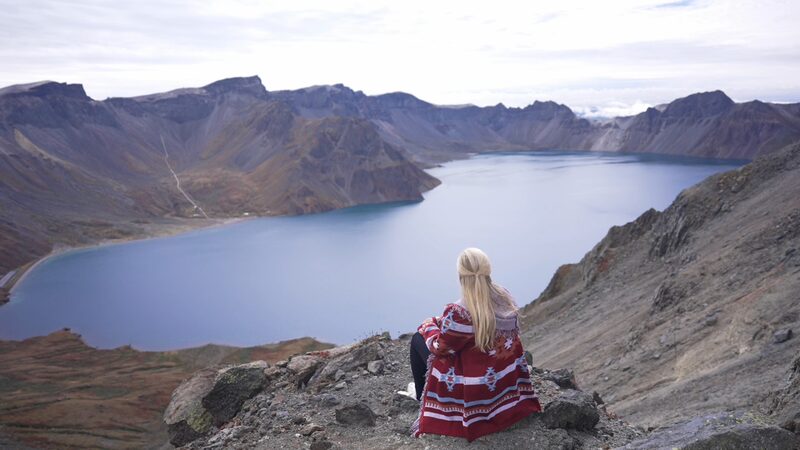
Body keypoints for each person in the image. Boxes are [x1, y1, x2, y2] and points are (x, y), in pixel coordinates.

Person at [408, 247, 542, 441]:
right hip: (502, 385)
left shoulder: (459, 312)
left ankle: (422, 401)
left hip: (475, 391)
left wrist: (428, 325)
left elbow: (440, 347)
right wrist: (444, 322)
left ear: (461, 276)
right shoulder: (504, 298)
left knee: (417, 339)